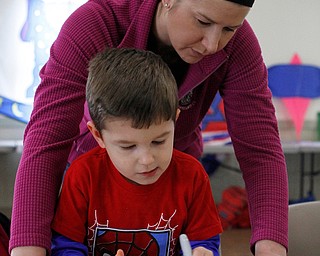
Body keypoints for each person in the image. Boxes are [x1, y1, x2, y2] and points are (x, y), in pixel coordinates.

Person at [10, 0, 289, 255]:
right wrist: (27, 247)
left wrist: (271, 246)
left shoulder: (237, 44)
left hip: (174, 183)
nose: (213, 44)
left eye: (229, 28)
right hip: (94, 182)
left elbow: (260, 148)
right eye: (202, 22)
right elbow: (46, 141)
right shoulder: (93, 23)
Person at [50, 47, 223, 256]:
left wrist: (203, 250)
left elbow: (203, 240)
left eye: (159, 141)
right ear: (98, 136)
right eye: (128, 146)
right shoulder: (82, 176)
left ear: (175, 121)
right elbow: (65, 246)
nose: (147, 160)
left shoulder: (192, 175)